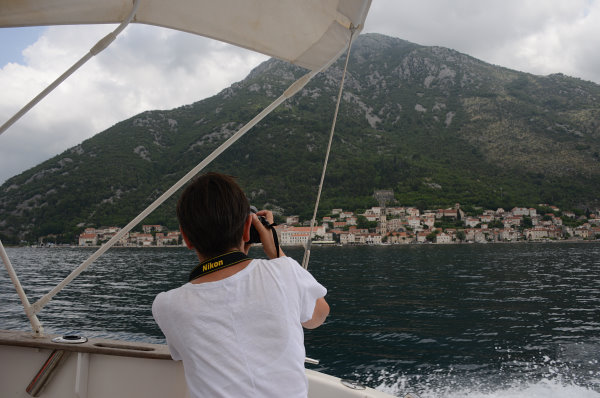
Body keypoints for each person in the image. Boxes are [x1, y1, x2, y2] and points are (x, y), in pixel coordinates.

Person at [152, 172, 329, 398]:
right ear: (248, 229)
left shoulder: (167, 305)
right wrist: (275, 251)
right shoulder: (284, 271)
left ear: (186, 238)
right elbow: (318, 316)